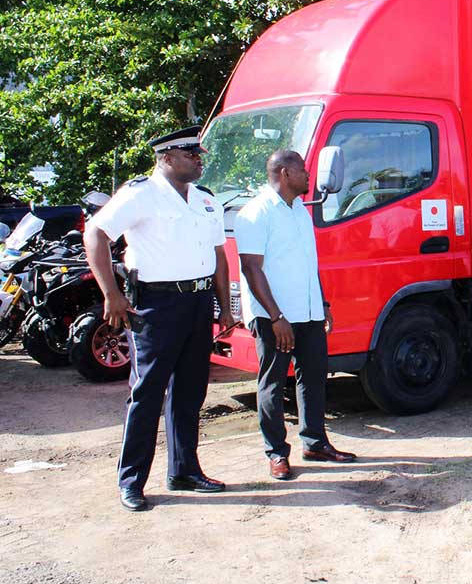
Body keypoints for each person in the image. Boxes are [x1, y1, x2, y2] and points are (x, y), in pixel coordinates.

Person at [82, 126, 234, 512]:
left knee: (190, 391)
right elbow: (95, 234)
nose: (199, 159)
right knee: (148, 393)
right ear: (166, 158)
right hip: (157, 305)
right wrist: (111, 294)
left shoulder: (205, 200)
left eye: (199, 153)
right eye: (190, 154)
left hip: (198, 303)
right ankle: (132, 481)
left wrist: (225, 306)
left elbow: (218, 255)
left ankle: (185, 470)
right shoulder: (141, 194)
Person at [235, 150, 357, 479]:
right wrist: (276, 318)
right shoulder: (255, 212)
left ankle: (315, 442)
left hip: (309, 313)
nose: (308, 175)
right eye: (303, 169)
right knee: (273, 384)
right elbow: (250, 268)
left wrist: (323, 304)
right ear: (286, 173)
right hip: (274, 317)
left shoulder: (300, 211)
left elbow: (308, 264)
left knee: (314, 378)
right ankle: (276, 452)